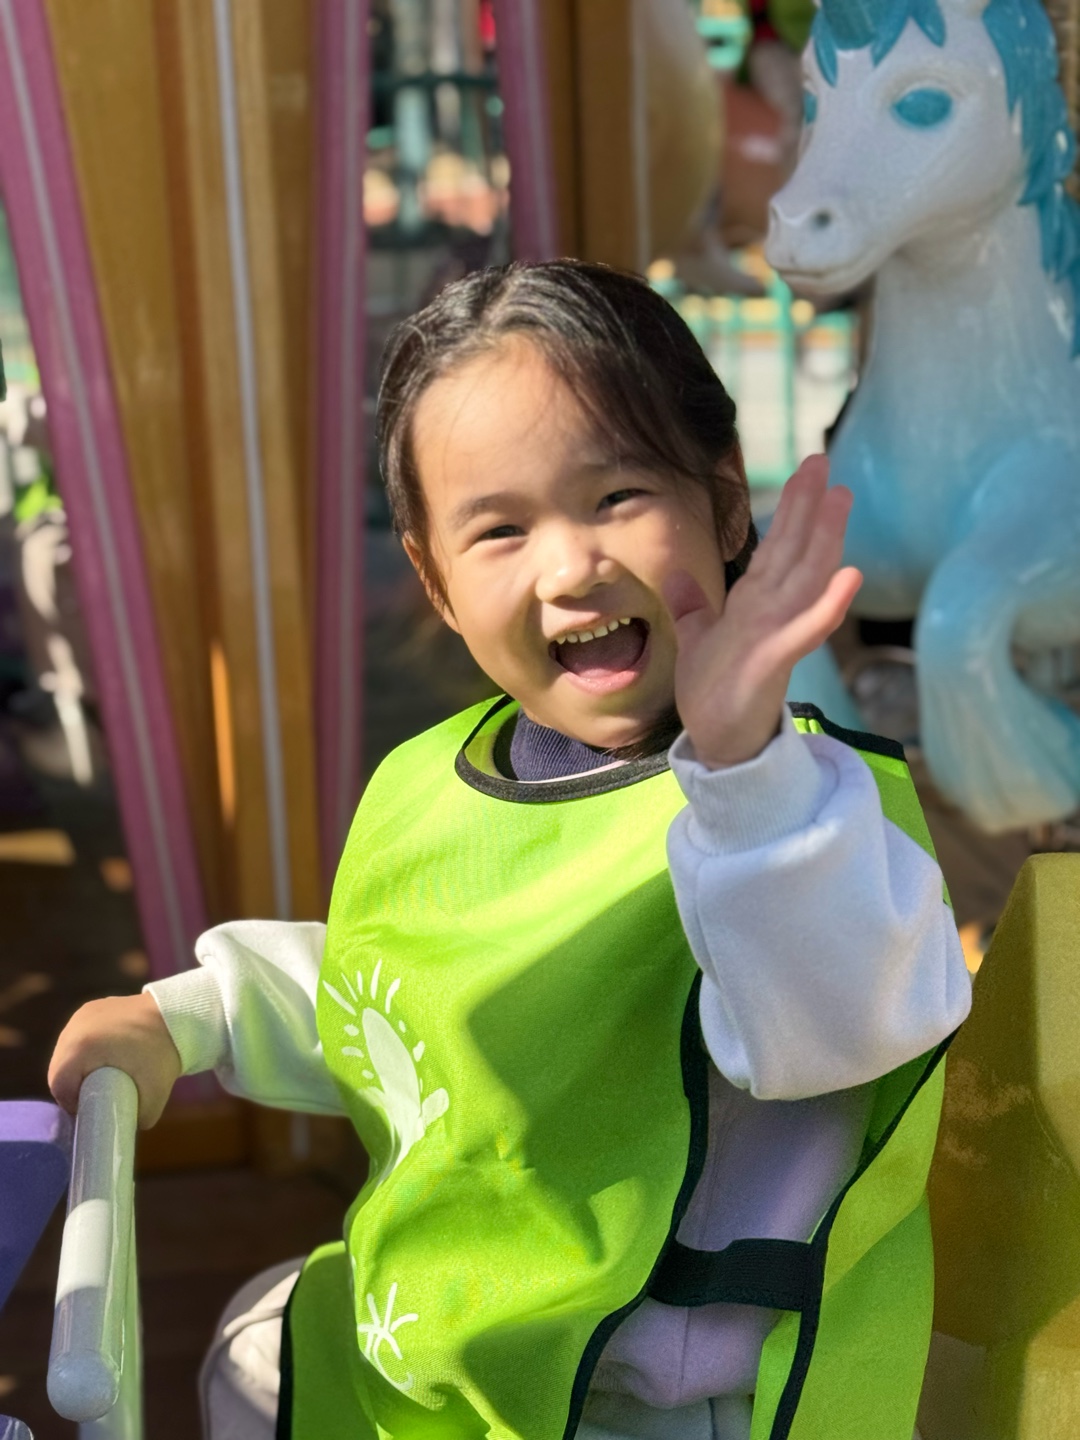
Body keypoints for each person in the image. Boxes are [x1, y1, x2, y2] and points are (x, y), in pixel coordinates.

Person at [49, 260, 971, 1440]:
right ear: (433, 578)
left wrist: (742, 763)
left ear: (725, 502)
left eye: (618, 494)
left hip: (655, 1402)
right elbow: (403, 986)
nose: (572, 566)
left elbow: (838, 1015)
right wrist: (194, 1016)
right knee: (253, 1349)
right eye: (501, 529)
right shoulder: (438, 773)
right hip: (455, 1337)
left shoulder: (805, 814)